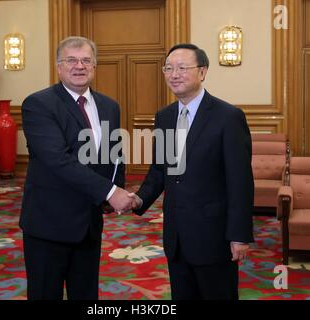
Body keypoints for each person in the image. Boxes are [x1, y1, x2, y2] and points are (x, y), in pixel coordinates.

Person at [129, 43, 254, 300]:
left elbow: (240, 182)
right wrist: (139, 198)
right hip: (176, 236)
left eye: (183, 68)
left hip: (214, 237)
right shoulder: (164, 117)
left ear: (203, 72)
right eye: (169, 68)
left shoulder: (228, 116)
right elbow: (159, 169)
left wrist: (239, 235)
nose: (174, 74)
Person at [20, 36, 133, 300]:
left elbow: (114, 155)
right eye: (71, 60)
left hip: (89, 223)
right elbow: (58, 159)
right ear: (59, 67)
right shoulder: (38, 104)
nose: (78, 66)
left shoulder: (109, 106)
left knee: (86, 294)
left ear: (94, 66)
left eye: (85, 60)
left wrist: (118, 192)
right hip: (49, 225)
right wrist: (109, 192)